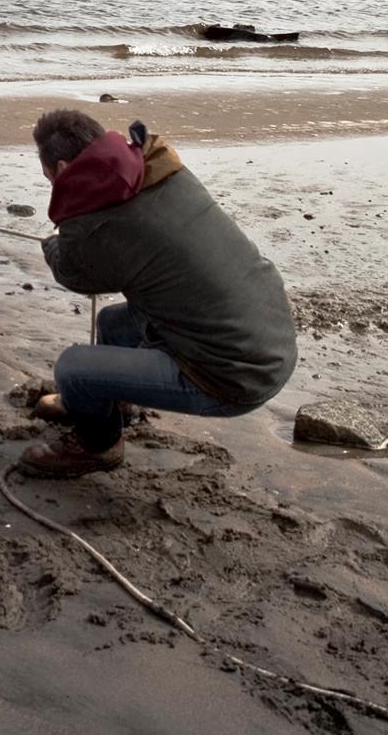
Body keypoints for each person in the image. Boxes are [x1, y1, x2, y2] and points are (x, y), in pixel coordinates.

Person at [16, 108, 297, 479]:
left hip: (234, 377)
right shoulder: (156, 167)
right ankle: (111, 402)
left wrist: (52, 245)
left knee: (74, 368)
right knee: (113, 323)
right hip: (271, 336)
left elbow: (74, 274)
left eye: (50, 176)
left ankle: (98, 445)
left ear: (65, 169)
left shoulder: (95, 221)